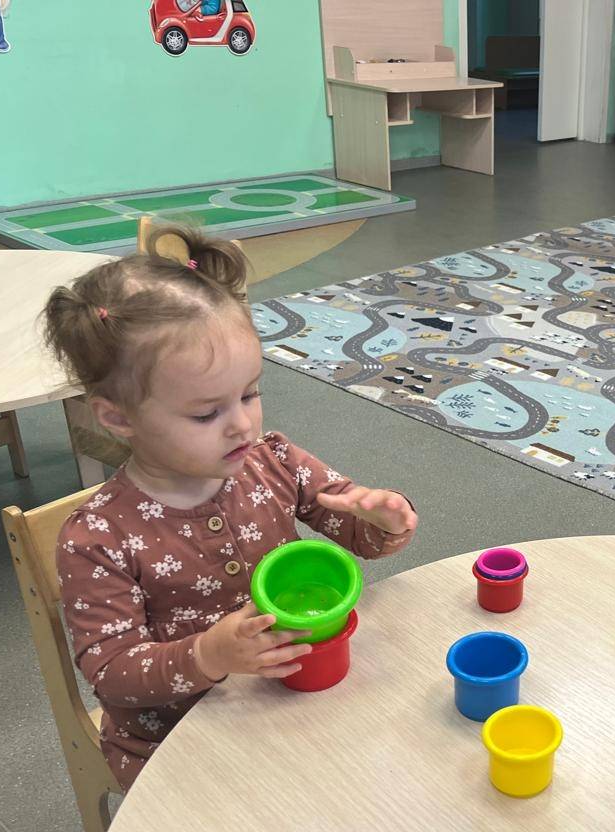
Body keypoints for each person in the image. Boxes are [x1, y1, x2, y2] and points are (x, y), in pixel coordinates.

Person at [44, 224, 418, 789]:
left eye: (250, 393)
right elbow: (112, 672)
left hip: (291, 692)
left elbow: (354, 535)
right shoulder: (97, 538)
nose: (242, 424)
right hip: (175, 741)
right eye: (206, 413)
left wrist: (383, 519)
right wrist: (209, 655)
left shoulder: (272, 460)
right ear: (118, 417)